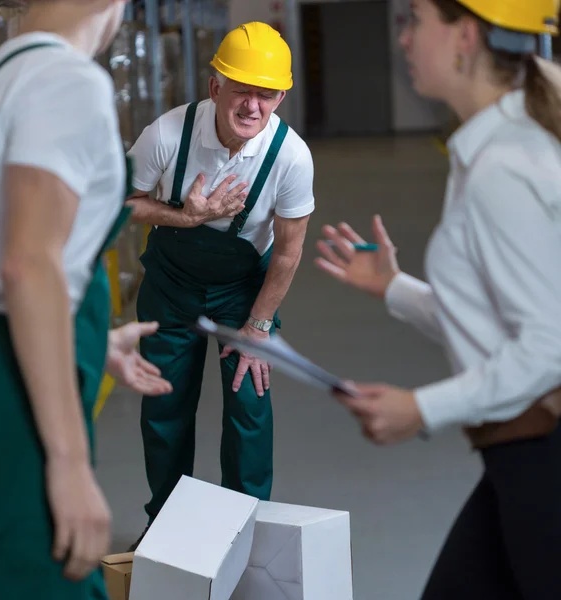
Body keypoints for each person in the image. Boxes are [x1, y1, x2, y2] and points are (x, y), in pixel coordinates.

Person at [316, 0, 561, 598]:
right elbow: (503, 324)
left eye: (415, 20)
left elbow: (549, 346)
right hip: (521, 461)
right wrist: (394, 288)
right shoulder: (494, 148)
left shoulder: (501, 167)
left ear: (465, 35)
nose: (403, 39)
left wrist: (422, 408)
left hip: (545, 462)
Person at [0, 1, 172, 598]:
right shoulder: (66, 81)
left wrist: (90, 342)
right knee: (47, 581)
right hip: (13, 402)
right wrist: (70, 464)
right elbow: (29, 264)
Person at [126, 21, 315, 544]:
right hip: (171, 283)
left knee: (250, 406)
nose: (253, 106)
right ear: (215, 88)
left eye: (267, 94)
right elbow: (122, 204)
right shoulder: (167, 135)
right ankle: (165, 528)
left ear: (280, 96)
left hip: (244, 291)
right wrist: (185, 217)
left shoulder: (291, 158)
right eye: (242, 91)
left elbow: (290, 249)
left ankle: (248, 535)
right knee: (164, 403)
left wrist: (258, 326)